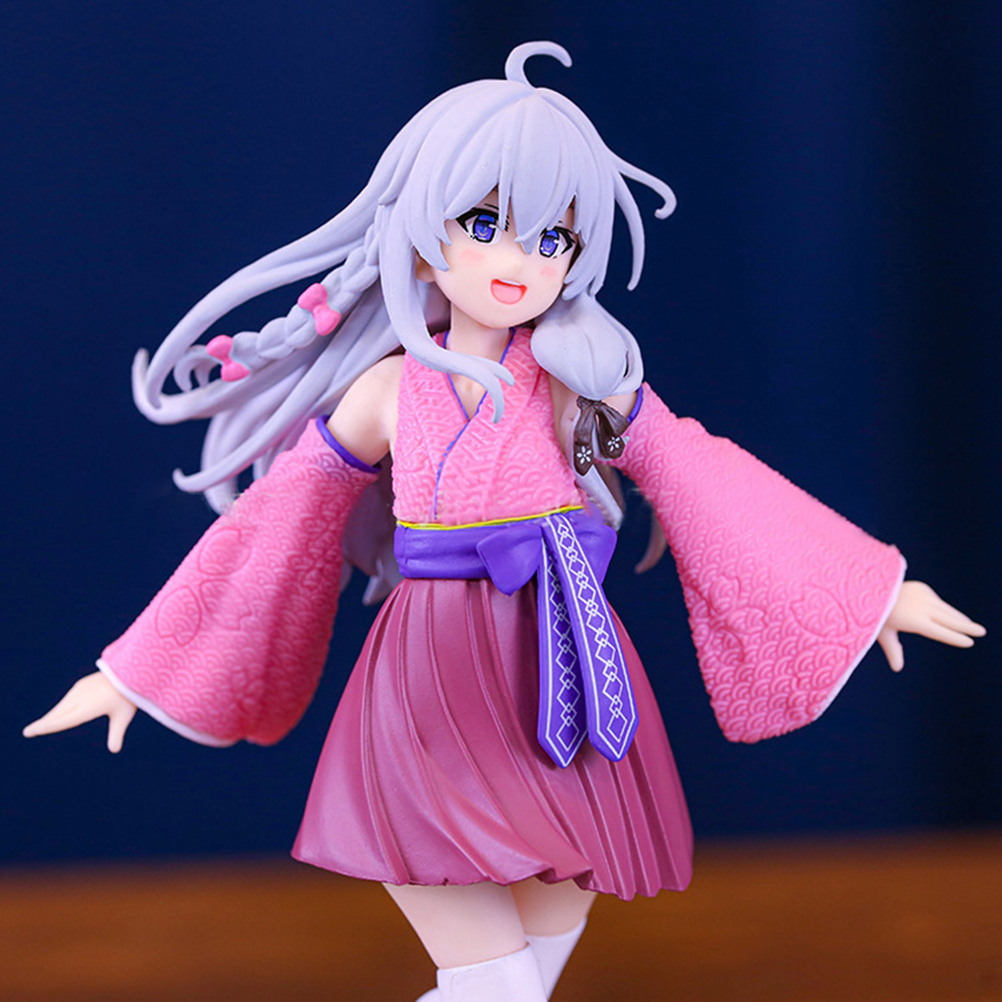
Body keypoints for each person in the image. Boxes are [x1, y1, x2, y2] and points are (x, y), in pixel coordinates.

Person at [24, 42, 984, 1002]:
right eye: (486, 225)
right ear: (422, 239)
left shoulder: (576, 382)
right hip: (432, 670)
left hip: (561, 662)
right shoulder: (389, 391)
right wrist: (142, 670)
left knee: (552, 912)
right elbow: (281, 520)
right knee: (489, 960)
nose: (520, 260)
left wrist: (864, 589)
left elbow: (697, 472)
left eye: (552, 237)